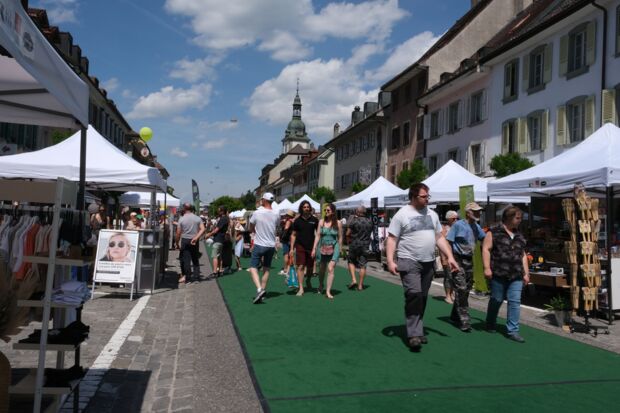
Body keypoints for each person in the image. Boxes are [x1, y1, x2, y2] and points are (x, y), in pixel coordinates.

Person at [385, 183, 459, 351]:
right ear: (413, 196)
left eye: (428, 196)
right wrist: (390, 261)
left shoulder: (432, 215)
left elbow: (439, 237)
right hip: (408, 260)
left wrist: (451, 257)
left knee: (423, 297)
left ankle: (417, 329)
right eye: (424, 196)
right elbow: (391, 239)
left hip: (428, 262)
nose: (427, 199)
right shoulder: (401, 214)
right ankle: (413, 334)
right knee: (414, 295)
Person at [482, 205, 529, 343]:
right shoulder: (494, 232)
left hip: (516, 274)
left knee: (515, 301)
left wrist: (526, 273)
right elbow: (486, 249)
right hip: (498, 272)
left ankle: (513, 330)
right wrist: (486, 268)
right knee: (497, 299)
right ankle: (490, 321)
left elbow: (523, 255)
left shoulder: (519, 235)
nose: (520, 220)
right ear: (509, 217)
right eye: (518, 218)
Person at [446, 203, 487, 332]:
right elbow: (448, 242)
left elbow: (484, 239)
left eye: (479, 212)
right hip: (457, 260)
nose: (478, 214)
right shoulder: (458, 225)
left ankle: (454, 315)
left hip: (469, 260)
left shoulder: (476, 227)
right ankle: (465, 320)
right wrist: (448, 259)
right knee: (462, 289)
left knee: (465, 290)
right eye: (475, 212)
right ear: (468, 212)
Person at [248, 193, 280, 304]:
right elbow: (277, 226)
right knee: (266, 269)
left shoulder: (257, 212)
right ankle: (262, 291)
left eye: (262, 199)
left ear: (264, 200)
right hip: (271, 246)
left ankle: (259, 289)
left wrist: (255, 231)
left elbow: (250, 228)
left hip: (260, 244)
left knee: (253, 267)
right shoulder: (276, 213)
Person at [312, 203, 342, 298]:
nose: (326, 212)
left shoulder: (338, 223)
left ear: (333, 212)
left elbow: (340, 237)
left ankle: (328, 291)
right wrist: (314, 248)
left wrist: (340, 249)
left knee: (330, 268)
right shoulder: (321, 222)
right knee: (322, 269)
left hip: (334, 247)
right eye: (325, 210)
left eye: (328, 210)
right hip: (322, 247)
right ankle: (321, 284)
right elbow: (317, 236)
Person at [289, 200, 319, 296]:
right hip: (300, 245)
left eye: (308, 207)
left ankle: (308, 280)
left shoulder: (315, 220)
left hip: (311, 246)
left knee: (310, 267)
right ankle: (301, 288)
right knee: (300, 266)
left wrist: (316, 247)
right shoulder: (297, 221)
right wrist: (291, 248)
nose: (306, 208)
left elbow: (318, 234)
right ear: (301, 208)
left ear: (310, 208)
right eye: (304, 207)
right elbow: (293, 235)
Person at [176, 203, 206, 284]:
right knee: (195, 258)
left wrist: (176, 242)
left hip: (185, 240)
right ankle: (196, 277)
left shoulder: (181, 219)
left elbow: (178, 233)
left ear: (184, 209)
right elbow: (203, 229)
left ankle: (188, 278)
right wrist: (196, 237)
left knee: (186, 260)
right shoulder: (197, 218)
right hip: (194, 240)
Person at [346, 205, 373, 291]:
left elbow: (347, 234)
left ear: (358, 212)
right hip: (365, 245)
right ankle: (360, 285)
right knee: (363, 265)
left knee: (351, 261)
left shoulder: (354, 221)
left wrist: (348, 241)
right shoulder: (370, 221)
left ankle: (354, 280)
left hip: (354, 244)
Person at [440, 210, 459, 303]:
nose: (456, 220)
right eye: (454, 218)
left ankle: (452, 293)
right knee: (448, 276)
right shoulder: (444, 229)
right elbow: (441, 244)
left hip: (456, 256)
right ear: (449, 219)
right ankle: (447, 295)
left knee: (455, 276)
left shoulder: (457, 227)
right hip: (447, 256)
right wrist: (443, 258)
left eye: (457, 218)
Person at [205, 206, 229, 277]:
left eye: (219, 211)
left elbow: (216, 230)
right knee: (219, 256)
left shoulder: (223, 219)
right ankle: (220, 270)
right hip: (221, 239)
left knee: (215, 256)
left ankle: (215, 272)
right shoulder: (225, 219)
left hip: (218, 239)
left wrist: (208, 234)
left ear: (222, 211)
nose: (218, 212)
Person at [278, 210, 295, 276]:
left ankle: (285, 269)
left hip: (287, 239)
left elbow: (286, 228)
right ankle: (289, 269)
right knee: (290, 254)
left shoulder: (288, 221)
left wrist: (282, 235)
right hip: (292, 239)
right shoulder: (293, 221)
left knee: (286, 254)